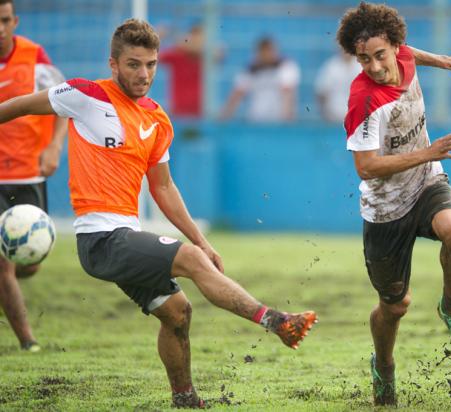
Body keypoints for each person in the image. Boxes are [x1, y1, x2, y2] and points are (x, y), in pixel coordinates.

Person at [0, 18, 316, 408]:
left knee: (178, 312)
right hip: (100, 238)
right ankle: (277, 321)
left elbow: (163, 187)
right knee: (191, 261)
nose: (144, 73)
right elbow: (18, 106)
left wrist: (202, 238)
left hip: (125, 237)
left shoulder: (156, 118)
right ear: (113, 64)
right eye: (133, 64)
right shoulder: (85, 93)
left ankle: (184, 399)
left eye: (150, 64)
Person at [337, 2, 451, 406]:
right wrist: (428, 152)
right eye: (363, 59)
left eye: (380, 55)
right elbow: (367, 168)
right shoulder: (364, 102)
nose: (373, 66)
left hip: (426, 183)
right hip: (385, 208)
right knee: (395, 306)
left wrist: (447, 61)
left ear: (395, 46)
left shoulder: (404, 54)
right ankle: (384, 367)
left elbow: (412, 53)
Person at [0, 0, 67, 353]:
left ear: (15, 21)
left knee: (30, 263)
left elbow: (63, 103)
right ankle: (29, 342)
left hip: (27, 174)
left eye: (4, 20)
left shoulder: (34, 58)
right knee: (3, 265)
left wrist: (55, 146)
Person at [220, 36, 300, 122]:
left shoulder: (286, 67)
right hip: (256, 122)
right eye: (264, 51)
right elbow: (236, 96)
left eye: (269, 51)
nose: (267, 55)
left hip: (279, 123)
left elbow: (287, 95)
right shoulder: (250, 70)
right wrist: (223, 119)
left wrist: (286, 122)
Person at [314, 49, 360, 123]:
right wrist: (325, 114)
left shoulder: (361, 66)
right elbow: (321, 92)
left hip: (357, 120)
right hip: (334, 119)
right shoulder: (330, 66)